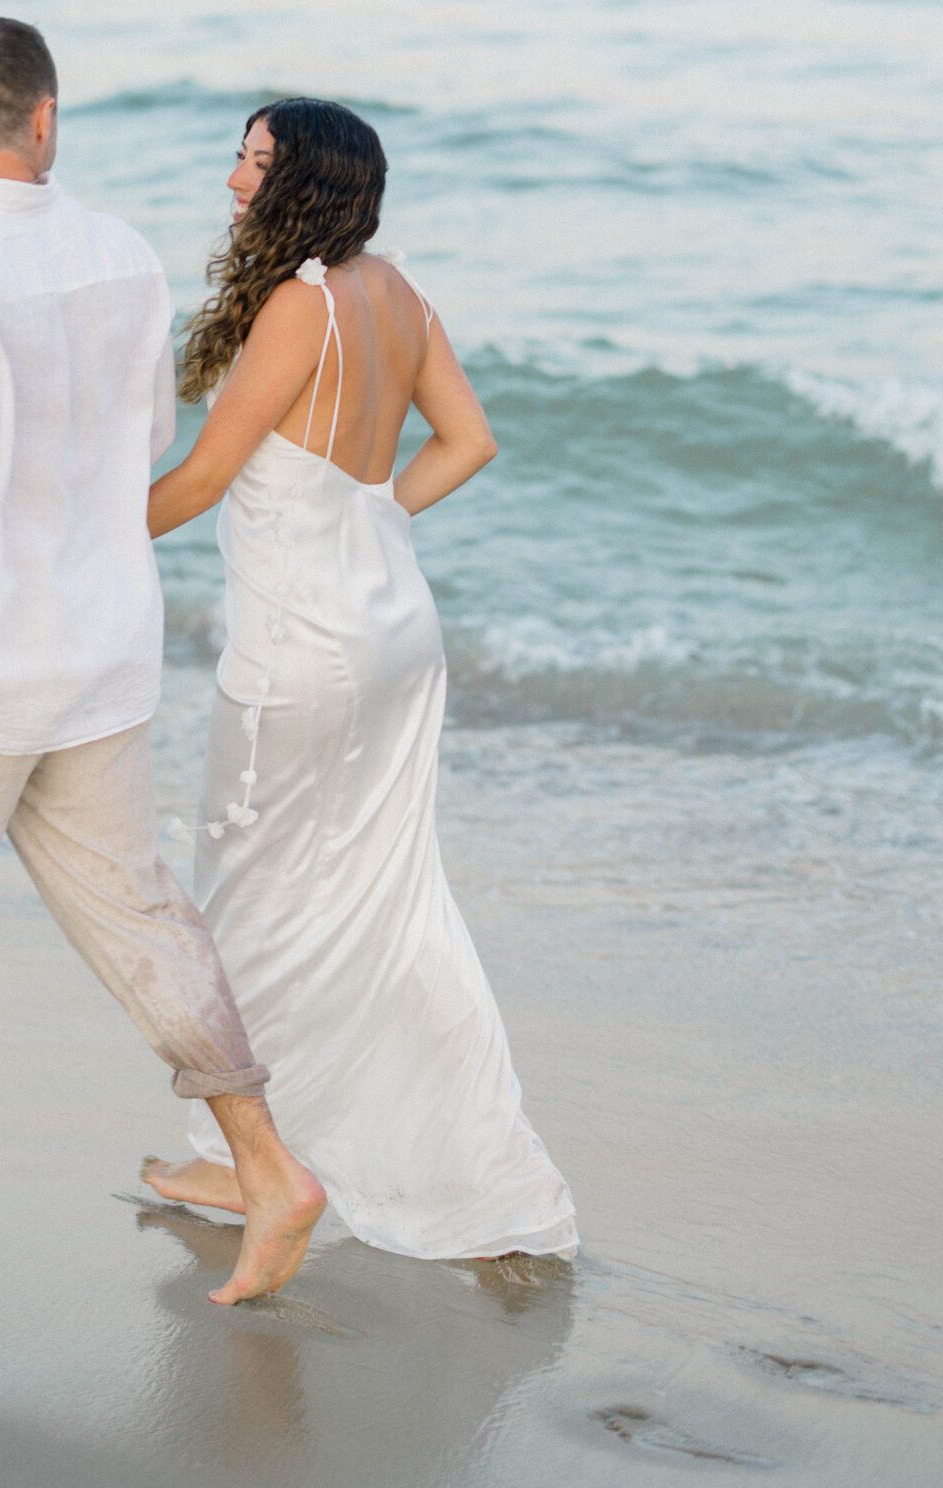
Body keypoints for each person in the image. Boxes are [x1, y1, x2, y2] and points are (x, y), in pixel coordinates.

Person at [0, 20, 325, 1304]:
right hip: (100, 652)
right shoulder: (126, 256)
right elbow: (145, 437)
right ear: (45, 118)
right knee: (141, 917)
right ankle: (268, 1169)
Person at [141, 99, 578, 1262]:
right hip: (393, 637)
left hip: (302, 652)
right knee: (379, 909)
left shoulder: (301, 306)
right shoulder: (397, 293)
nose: (234, 180)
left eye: (255, 163)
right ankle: (355, 1156)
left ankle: (264, 1169)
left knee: (254, 904)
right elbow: (468, 441)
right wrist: (367, 515)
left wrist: (68, 547)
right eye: (237, 157)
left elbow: (199, 481)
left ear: (306, 187)